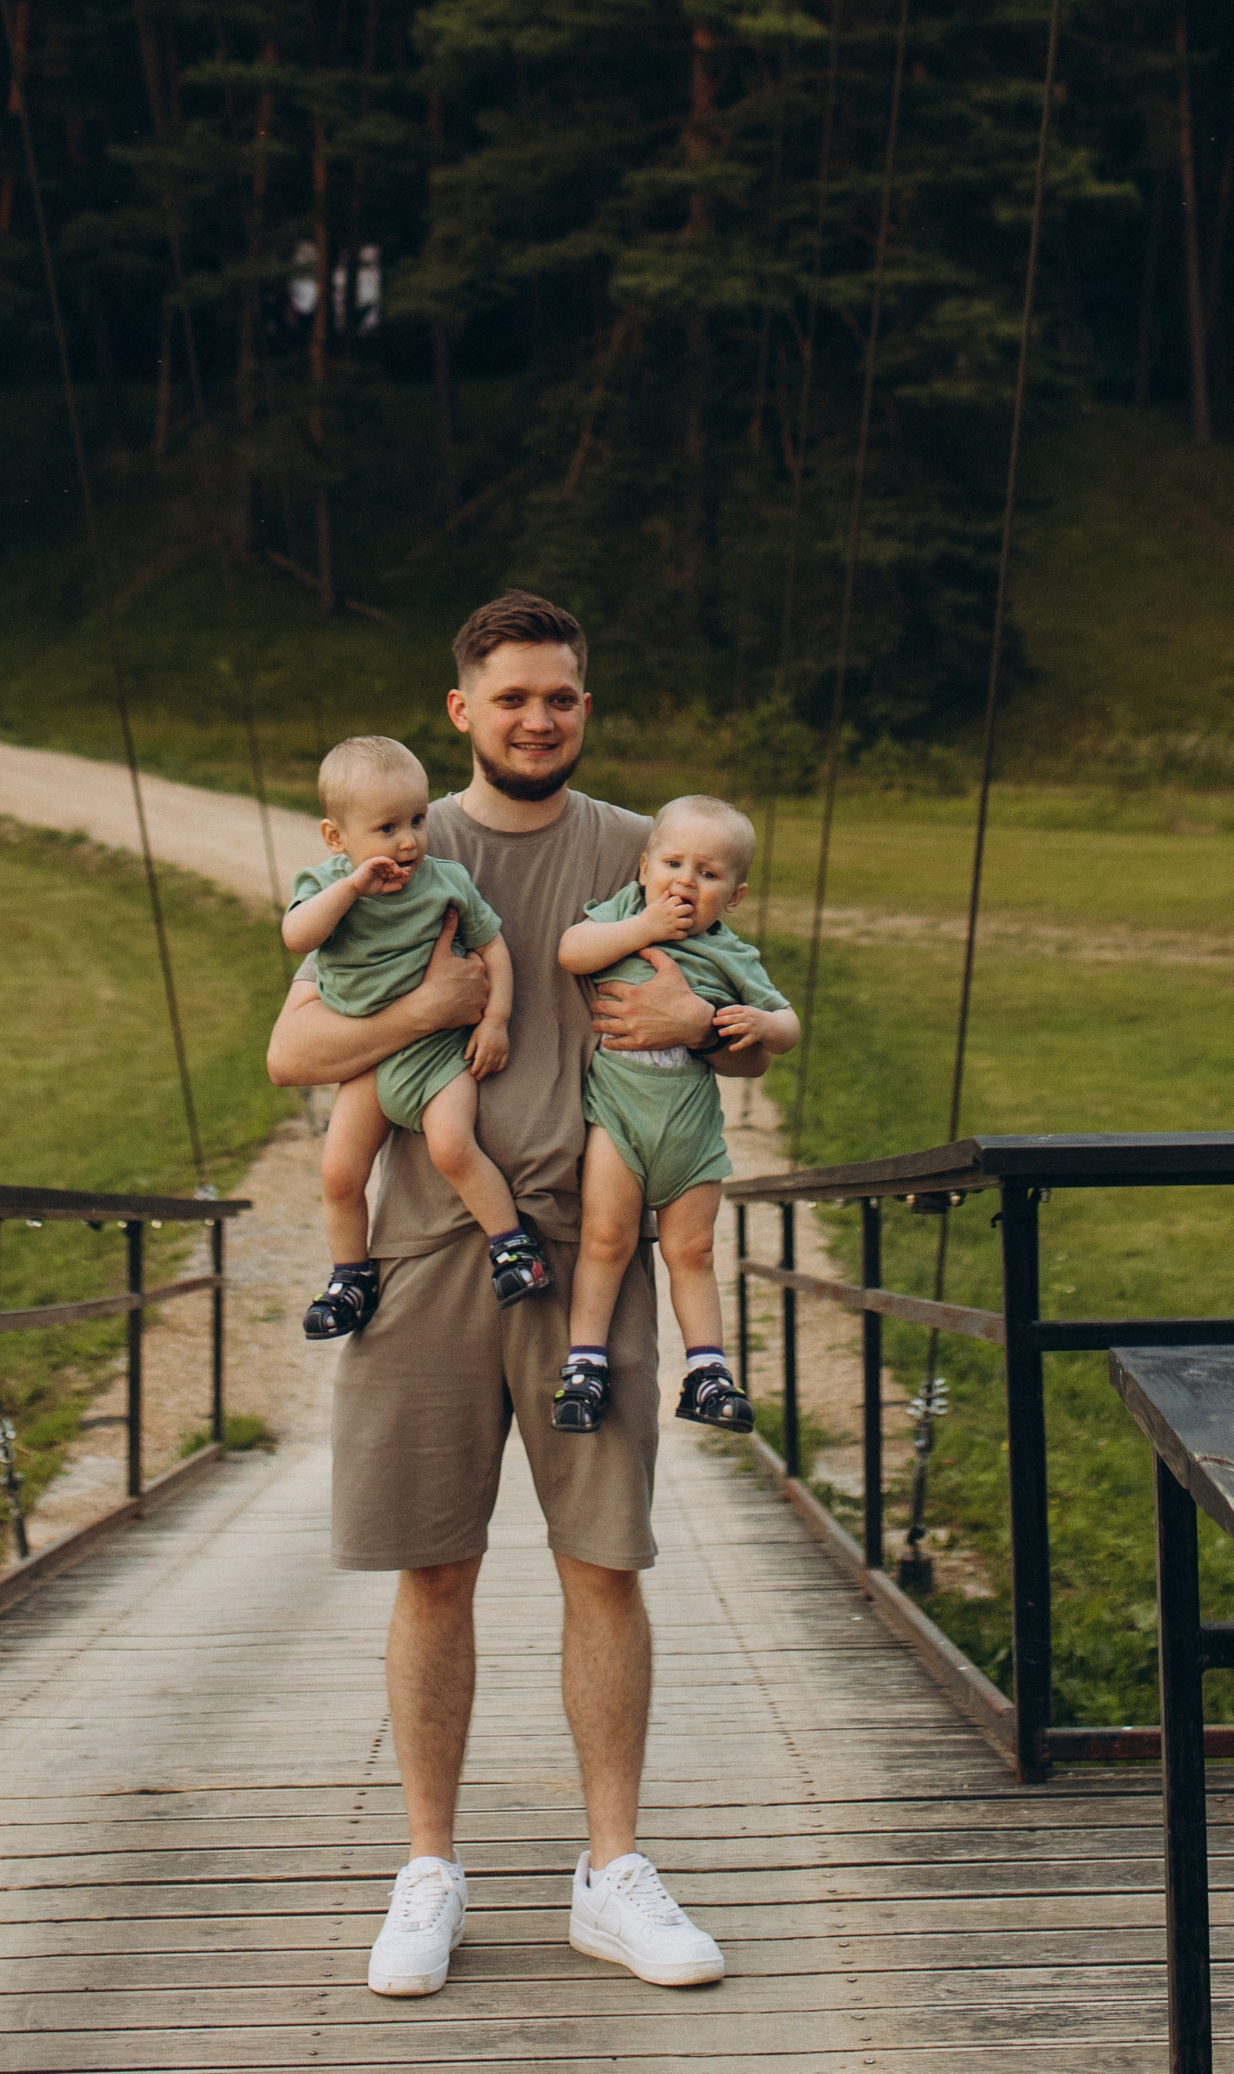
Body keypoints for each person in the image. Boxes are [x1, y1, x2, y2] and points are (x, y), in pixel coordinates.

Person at [265, 589, 752, 2003]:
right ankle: (431, 1867)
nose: (540, 717)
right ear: (462, 710)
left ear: (584, 710)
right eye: (513, 696)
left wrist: (704, 1026)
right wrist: (425, 1011)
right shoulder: (402, 840)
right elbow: (292, 1053)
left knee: (602, 1560)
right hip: (423, 1256)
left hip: (585, 1262)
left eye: (564, 696)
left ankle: (612, 1872)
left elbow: (755, 1022)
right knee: (437, 1563)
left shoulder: (641, 849)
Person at [281, 734, 552, 1333]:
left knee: (452, 1147)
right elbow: (297, 936)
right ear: (336, 839)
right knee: (339, 1172)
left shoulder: (443, 880)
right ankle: (350, 1277)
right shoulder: (328, 886)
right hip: (370, 1060)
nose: (407, 841)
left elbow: (493, 948)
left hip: (436, 1056)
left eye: (418, 820)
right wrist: (351, 888)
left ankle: (514, 1249)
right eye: (385, 828)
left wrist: (496, 1020)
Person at [551, 796, 797, 1436]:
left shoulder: (730, 954)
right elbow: (574, 951)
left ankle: (708, 1372)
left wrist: (762, 1023)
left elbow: (787, 1027)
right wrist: (644, 929)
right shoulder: (626, 917)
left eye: (708, 873)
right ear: (643, 869)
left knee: (693, 1249)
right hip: (619, 1120)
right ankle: (584, 1364)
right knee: (606, 1240)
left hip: (690, 1128)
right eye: (673, 863)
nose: (685, 881)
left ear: (734, 898)